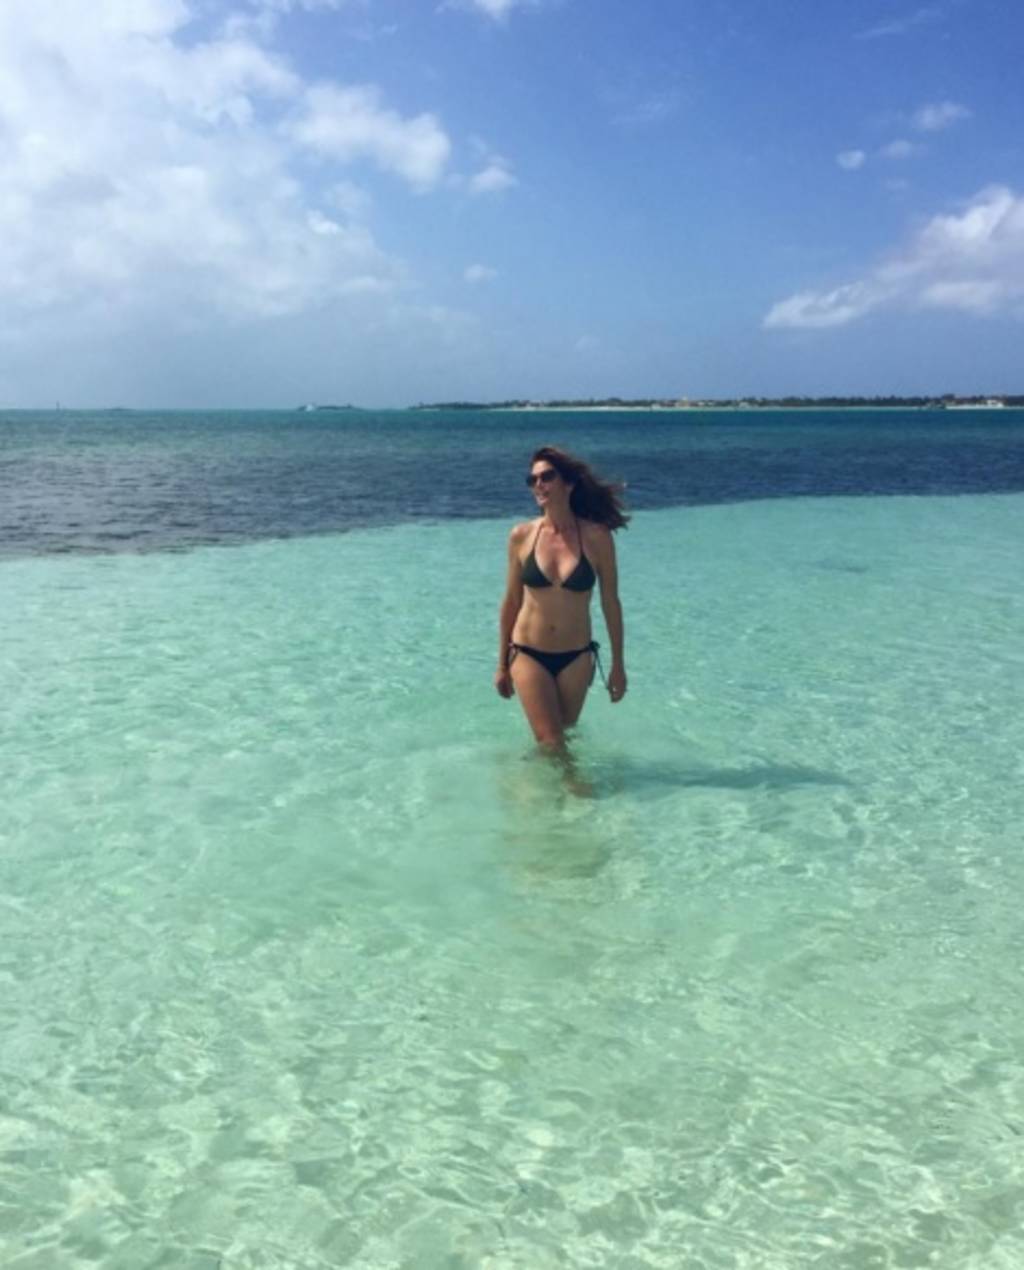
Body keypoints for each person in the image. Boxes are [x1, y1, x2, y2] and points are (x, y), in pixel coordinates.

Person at [495, 445, 628, 750]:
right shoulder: (521, 536)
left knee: (562, 738)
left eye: (547, 477)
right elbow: (512, 602)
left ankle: (525, 777)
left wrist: (618, 665)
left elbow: (611, 603)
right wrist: (501, 664)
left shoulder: (597, 537)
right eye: (532, 480)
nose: (538, 485)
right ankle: (574, 784)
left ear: (568, 484)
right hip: (528, 653)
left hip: (576, 657)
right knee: (551, 742)